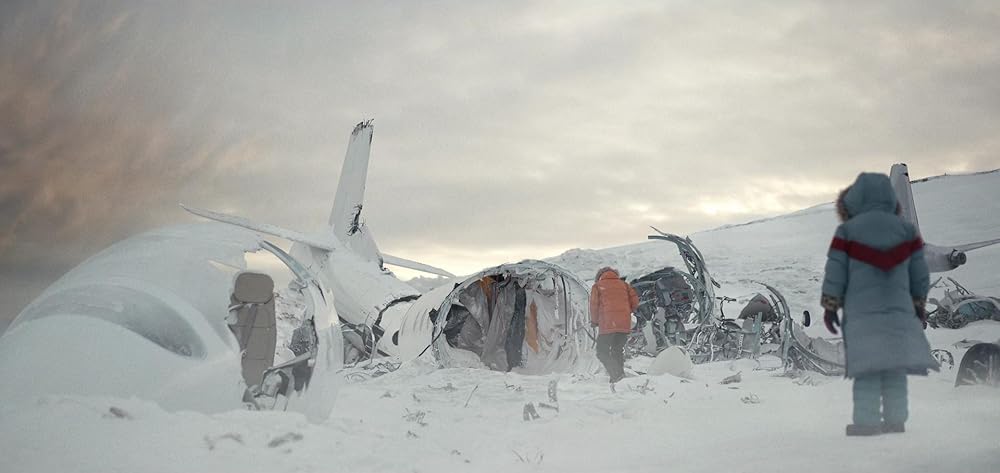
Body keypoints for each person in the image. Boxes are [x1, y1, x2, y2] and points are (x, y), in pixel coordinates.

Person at [820, 172, 938, 436]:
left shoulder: (847, 232)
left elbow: (836, 271)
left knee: (868, 368)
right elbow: (919, 272)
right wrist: (918, 305)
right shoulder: (906, 232)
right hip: (897, 313)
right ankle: (896, 421)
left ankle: (867, 422)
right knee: (894, 368)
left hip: (863, 315)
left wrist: (830, 306)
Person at [590, 267, 639, 383]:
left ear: (599, 276)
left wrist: (594, 321)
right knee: (617, 349)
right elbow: (635, 302)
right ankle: (619, 376)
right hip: (623, 324)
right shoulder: (624, 285)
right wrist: (626, 313)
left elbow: (594, 306)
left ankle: (615, 374)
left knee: (602, 351)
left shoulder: (597, 286)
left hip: (608, 324)